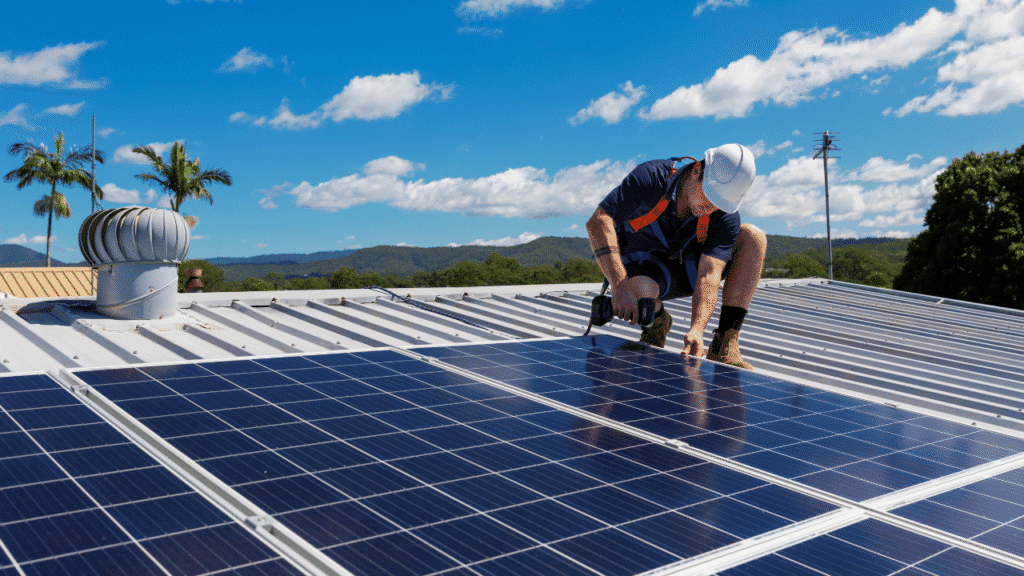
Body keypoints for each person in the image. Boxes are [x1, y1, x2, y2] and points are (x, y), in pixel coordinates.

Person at [585, 143, 767, 369]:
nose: (710, 208)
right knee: (640, 293)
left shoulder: (723, 215)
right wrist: (619, 286)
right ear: (696, 171)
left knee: (753, 237)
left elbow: (709, 274)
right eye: (708, 196)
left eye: (718, 204)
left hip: (688, 269)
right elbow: (598, 221)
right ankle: (657, 321)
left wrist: (697, 329)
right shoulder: (651, 178)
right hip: (645, 267)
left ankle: (725, 344)